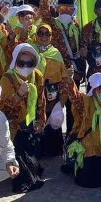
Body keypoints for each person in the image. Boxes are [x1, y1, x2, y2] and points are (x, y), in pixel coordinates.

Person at [0, 44, 46, 193]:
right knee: (23, 178)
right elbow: (2, 108)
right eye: (21, 63)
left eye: (29, 63)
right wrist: (19, 94)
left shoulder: (37, 75)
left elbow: (41, 100)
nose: (25, 66)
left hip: (30, 122)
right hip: (14, 125)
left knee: (33, 150)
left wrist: (41, 120)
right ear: (15, 61)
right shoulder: (7, 78)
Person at [33, 24, 75, 158]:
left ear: (51, 36)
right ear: (36, 35)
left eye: (47, 34)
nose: (44, 36)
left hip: (51, 93)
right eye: (41, 33)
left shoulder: (55, 53)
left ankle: (53, 150)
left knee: (52, 121)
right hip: (35, 94)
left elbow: (63, 77)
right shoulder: (31, 51)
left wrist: (61, 102)